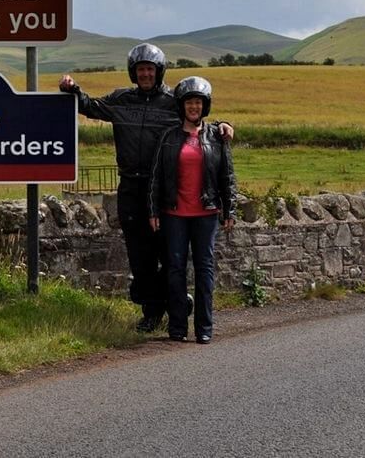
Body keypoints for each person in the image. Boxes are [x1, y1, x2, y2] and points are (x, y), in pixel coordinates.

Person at [59, 44, 233, 333]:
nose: (145, 74)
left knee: (170, 254)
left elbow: (196, 117)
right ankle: (152, 310)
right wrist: (72, 90)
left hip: (164, 188)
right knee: (140, 257)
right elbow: (91, 107)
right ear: (133, 72)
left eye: (150, 69)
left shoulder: (171, 101)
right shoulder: (121, 99)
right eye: (140, 69)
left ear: (159, 71)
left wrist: (222, 125)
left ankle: (174, 302)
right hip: (130, 186)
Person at [148, 76, 237, 344]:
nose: (194, 107)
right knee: (174, 270)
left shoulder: (217, 137)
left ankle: (204, 327)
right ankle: (177, 327)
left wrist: (229, 209)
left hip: (206, 214)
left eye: (198, 102)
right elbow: (156, 177)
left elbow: (227, 176)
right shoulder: (168, 137)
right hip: (174, 214)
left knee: (204, 270)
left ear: (205, 106)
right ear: (182, 106)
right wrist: (153, 210)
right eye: (189, 102)